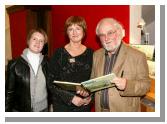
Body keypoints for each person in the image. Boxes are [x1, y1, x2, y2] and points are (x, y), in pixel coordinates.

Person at [91, 18, 151, 112]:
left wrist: (127, 85)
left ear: (119, 32)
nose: (106, 38)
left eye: (110, 33)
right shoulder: (96, 55)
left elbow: (146, 85)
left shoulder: (138, 56)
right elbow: (93, 80)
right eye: (102, 35)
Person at [48, 16, 93, 112]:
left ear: (84, 31)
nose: (74, 32)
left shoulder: (92, 54)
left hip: (84, 107)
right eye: (70, 29)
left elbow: (95, 79)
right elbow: (50, 82)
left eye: (78, 28)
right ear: (67, 32)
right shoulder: (58, 53)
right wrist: (71, 98)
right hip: (62, 106)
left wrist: (90, 96)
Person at [5, 28, 52, 112]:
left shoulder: (47, 63)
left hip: (43, 110)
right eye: (34, 39)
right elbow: (9, 93)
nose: (38, 43)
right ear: (28, 41)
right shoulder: (14, 64)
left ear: (43, 45)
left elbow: (52, 86)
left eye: (41, 41)